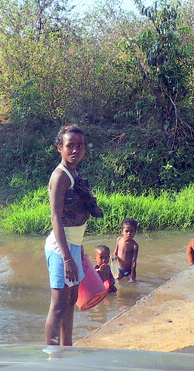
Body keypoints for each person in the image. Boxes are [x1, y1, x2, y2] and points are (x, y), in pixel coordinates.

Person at [44, 124, 100, 346]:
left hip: (73, 246)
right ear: (60, 147)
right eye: (70, 146)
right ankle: (51, 354)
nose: (75, 151)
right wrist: (67, 258)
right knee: (58, 305)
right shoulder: (60, 176)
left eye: (80, 146)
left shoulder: (73, 173)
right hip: (60, 249)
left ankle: (66, 349)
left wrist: (78, 250)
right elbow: (56, 219)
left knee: (71, 300)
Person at [113, 218, 139, 282]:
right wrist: (113, 257)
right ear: (122, 231)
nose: (129, 233)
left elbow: (134, 261)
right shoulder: (119, 240)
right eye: (126, 231)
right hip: (119, 269)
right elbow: (116, 251)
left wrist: (132, 273)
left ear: (135, 232)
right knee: (116, 282)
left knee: (132, 284)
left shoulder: (134, 245)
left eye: (131, 231)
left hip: (129, 271)